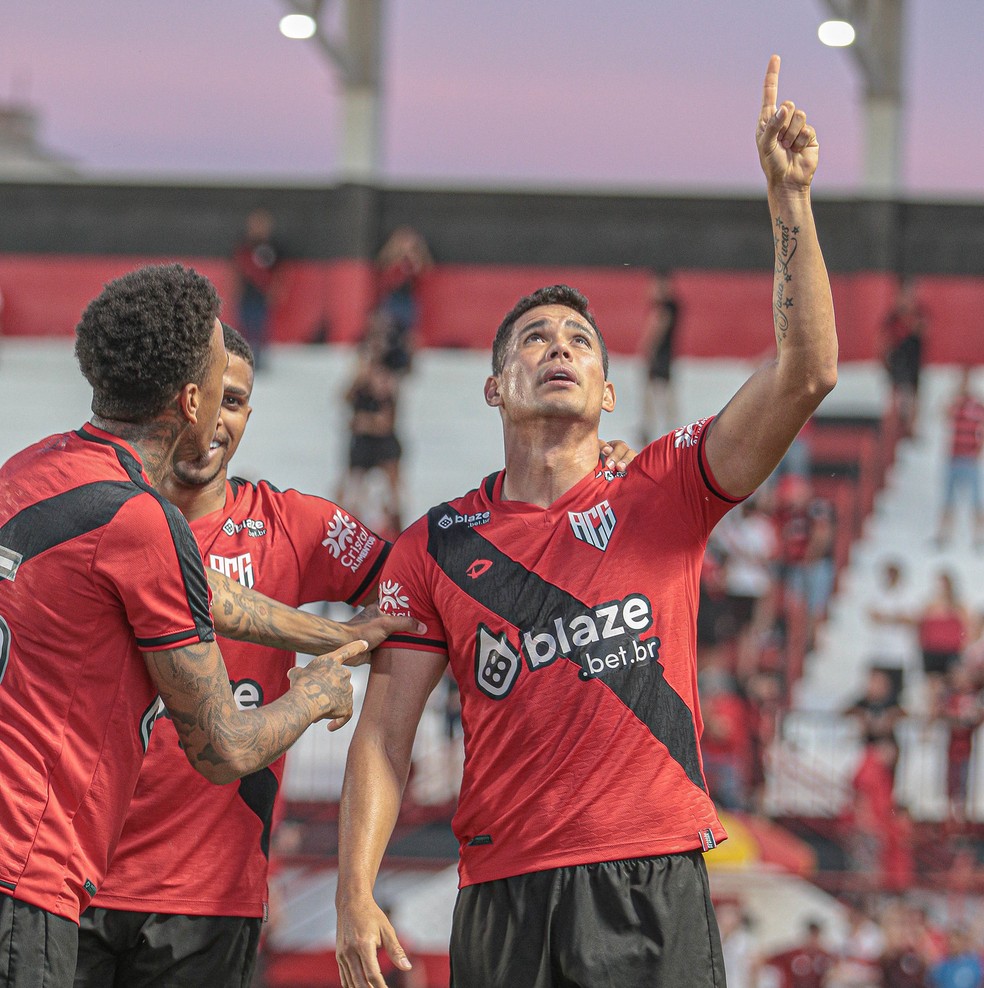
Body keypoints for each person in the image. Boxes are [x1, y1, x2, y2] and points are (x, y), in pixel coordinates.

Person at [335, 54, 837, 988]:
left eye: (578, 341)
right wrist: (352, 891)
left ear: (609, 391)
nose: (557, 347)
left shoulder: (666, 488)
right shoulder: (436, 543)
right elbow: (383, 736)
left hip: (653, 880)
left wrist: (790, 201)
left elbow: (807, 372)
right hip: (504, 892)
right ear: (495, 386)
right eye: (534, 339)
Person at [0, 264, 364, 988]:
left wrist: (330, 635)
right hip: (33, 871)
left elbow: (201, 593)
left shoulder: (30, 470)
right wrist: (316, 694)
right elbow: (224, 748)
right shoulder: (142, 524)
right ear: (190, 399)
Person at [71, 325, 405, 988]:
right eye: (200, 397)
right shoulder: (88, 513)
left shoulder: (295, 527)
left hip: (207, 903)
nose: (213, 420)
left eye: (234, 402)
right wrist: (330, 652)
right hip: (65, 881)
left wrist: (604, 486)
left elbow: (420, 588)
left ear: (248, 415)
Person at [935, 366, 984, 548]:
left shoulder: (976, 404)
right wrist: (953, 393)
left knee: (976, 500)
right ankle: (943, 535)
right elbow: (941, 413)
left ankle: (978, 537)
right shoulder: (956, 403)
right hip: (954, 456)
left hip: (969, 457)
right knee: (948, 499)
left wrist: (979, 449)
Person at [232, 207, 282, 370]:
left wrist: (276, 291)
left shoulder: (273, 247)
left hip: (262, 295)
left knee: (261, 329)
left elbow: (279, 272)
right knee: (244, 328)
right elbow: (237, 270)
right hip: (247, 295)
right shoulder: (244, 246)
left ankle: (259, 362)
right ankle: (244, 361)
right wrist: (235, 292)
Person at [880, 276, 926, 440]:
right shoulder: (893, 318)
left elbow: (922, 331)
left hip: (912, 364)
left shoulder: (918, 314)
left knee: (912, 397)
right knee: (898, 397)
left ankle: (909, 430)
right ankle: (894, 429)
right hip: (898, 364)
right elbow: (884, 342)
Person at [638, 270, 679, 444]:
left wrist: (648, 347)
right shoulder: (672, 305)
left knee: (654, 390)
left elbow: (659, 327)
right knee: (664, 390)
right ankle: (669, 426)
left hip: (660, 354)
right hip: (667, 353)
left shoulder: (665, 306)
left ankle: (652, 426)